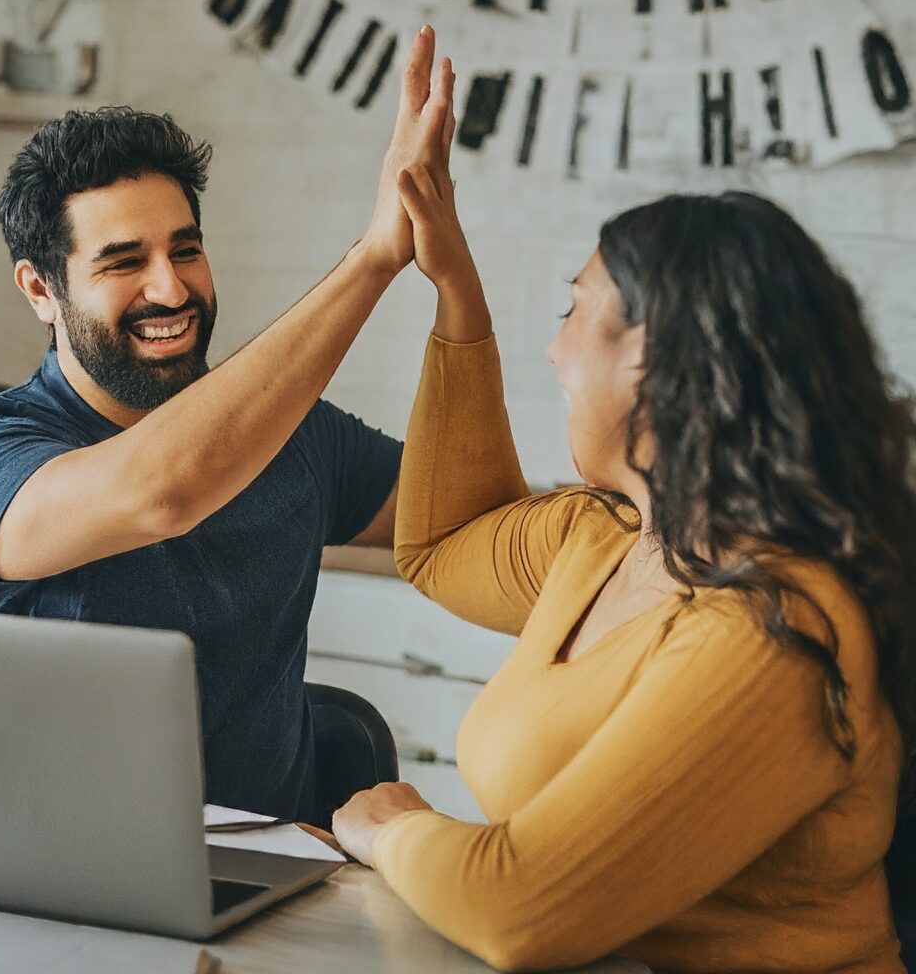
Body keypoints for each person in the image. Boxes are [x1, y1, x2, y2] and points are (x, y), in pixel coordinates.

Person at [332, 55, 916, 969]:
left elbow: (520, 909)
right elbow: (439, 544)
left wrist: (394, 825)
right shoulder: (603, 540)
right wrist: (454, 290)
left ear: (651, 356)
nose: (556, 349)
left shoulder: (773, 628)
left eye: (575, 309)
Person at [0, 28, 456, 826]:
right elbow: (161, 492)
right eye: (123, 261)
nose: (170, 289)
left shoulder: (292, 434)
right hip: (62, 894)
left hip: (275, 884)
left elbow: (465, 508)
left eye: (186, 249)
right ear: (39, 288)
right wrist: (375, 258)